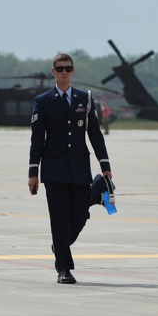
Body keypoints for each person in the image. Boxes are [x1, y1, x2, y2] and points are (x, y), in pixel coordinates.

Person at [28, 53, 112, 284]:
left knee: (80, 215)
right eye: (60, 68)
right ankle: (63, 268)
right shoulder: (43, 101)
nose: (64, 72)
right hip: (54, 169)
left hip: (79, 167)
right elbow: (37, 140)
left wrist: (105, 165)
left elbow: (94, 134)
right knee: (58, 219)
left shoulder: (84, 99)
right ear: (53, 71)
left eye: (68, 68)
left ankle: (60, 244)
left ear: (73, 71)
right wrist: (33, 172)